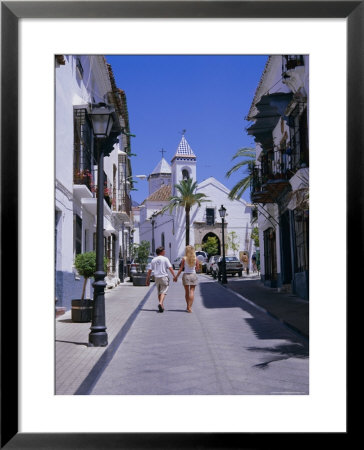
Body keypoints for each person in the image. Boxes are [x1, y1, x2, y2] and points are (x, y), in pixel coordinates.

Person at [146, 246, 176, 313]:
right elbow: (170, 268)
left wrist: (147, 279)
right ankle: (160, 303)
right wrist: (174, 276)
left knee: (159, 291)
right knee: (164, 291)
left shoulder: (153, 260)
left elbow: (150, 270)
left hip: (156, 277)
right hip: (164, 277)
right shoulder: (165, 259)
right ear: (161, 252)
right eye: (164, 251)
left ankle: (161, 305)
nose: (165, 252)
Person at [174, 245, 200, 313]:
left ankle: (188, 306)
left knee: (187, 292)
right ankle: (190, 307)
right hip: (193, 275)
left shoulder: (184, 258)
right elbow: (197, 268)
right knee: (192, 291)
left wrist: (176, 277)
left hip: (186, 275)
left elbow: (181, 268)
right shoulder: (195, 258)